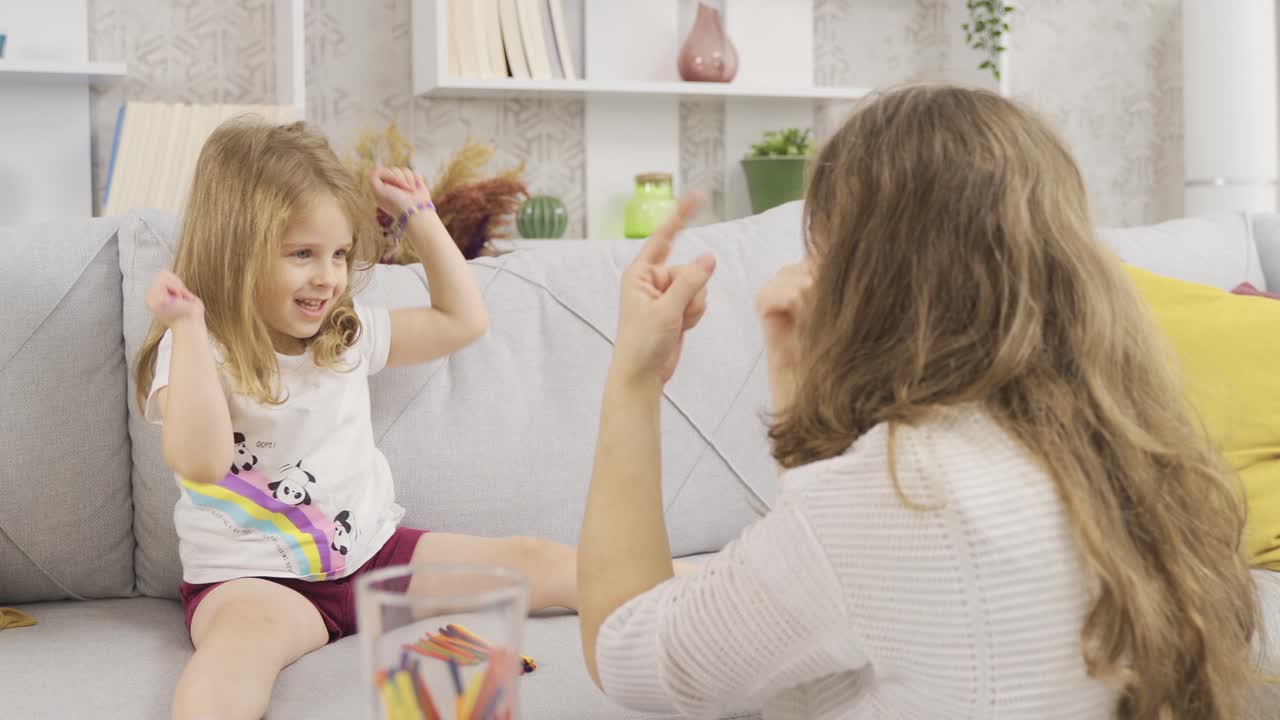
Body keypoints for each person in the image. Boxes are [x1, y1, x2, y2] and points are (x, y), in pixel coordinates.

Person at [577, 85, 1263, 719]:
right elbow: (848, 588)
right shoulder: (1131, 455)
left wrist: (635, 374)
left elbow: (628, 651)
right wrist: (803, 380)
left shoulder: (899, 493)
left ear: (861, 276)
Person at [133, 118, 577, 720]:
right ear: (236, 250)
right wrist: (186, 328)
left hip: (376, 558)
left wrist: (421, 215)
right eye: (302, 255)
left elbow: (462, 320)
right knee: (237, 655)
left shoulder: (343, 334)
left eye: (339, 254)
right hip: (255, 585)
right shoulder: (197, 349)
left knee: (532, 558)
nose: (328, 276)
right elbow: (202, 460)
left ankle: (686, 588)